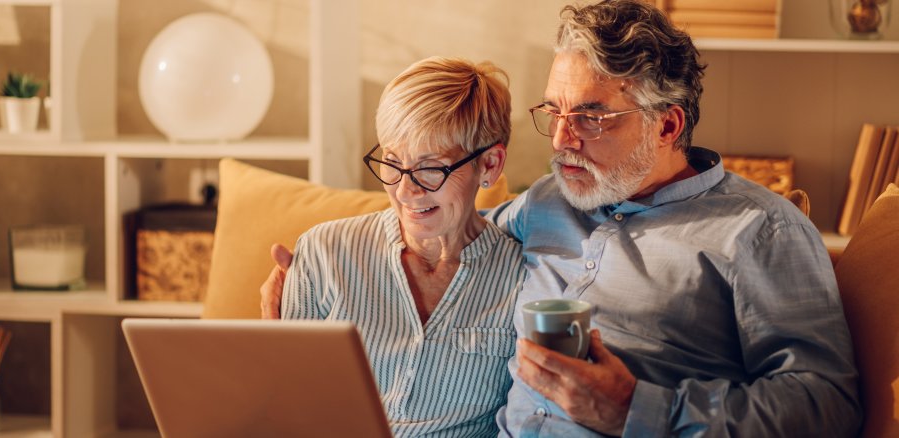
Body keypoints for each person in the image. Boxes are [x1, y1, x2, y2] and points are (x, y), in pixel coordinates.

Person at [262, 1, 862, 436]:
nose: (563, 140)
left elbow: (827, 405)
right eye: (555, 112)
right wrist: (313, 293)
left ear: (669, 124)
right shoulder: (548, 201)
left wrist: (636, 410)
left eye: (594, 118)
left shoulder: (759, 230)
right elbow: (442, 208)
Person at [278, 56, 525, 437]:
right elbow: (285, 407)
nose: (405, 190)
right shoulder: (323, 252)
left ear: (490, 165)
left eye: (430, 168)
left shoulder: (523, 277)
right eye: (392, 163)